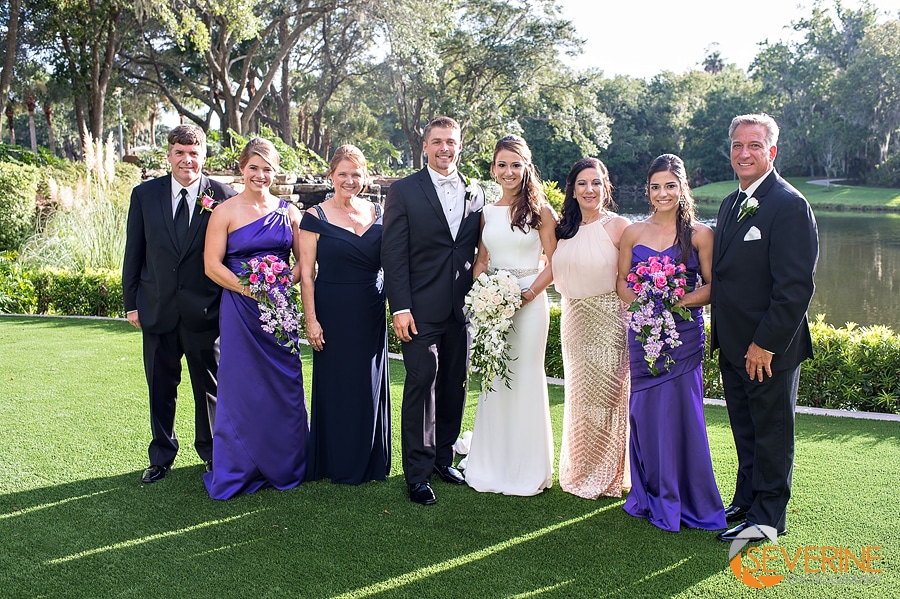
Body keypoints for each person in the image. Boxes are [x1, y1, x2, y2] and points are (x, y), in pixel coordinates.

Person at [712, 115, 818, 542]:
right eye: (737, 145)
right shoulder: (730, 202)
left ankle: (768, 518)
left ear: (771, 151)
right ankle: (746, 500)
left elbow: (794, 288)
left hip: (768, 349)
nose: (744, 153)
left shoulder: (789, 205)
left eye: (754, 145)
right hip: (734, 343)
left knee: (772, 431)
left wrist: (764, 345)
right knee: (745, 427)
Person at [616, 154, 725, 532]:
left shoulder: (700, 235)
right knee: (645, 414)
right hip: (644, 334)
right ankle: (648, 494)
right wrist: (647, 302)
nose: (663, 193)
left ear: (682, 188)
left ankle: (690, 497)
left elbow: (712, 287)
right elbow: (621, 284)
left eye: (670, 186)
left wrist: (672, 301)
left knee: (683, 414)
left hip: (684, 337)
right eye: (656, 187)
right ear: (648, 190)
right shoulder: (633, 232)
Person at [123, 124, 237, 484]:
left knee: (209, 388)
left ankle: (211, 453)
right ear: (168, 155)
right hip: (157, 308)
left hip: (206, 311)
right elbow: (134, 253)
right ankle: (161, 454)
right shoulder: (144, 195)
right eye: (179, 152)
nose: (187, 160)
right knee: (159, 385)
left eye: (194, 153)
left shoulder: (224, 195)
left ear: (204, 155)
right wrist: (131, 303)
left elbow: (233, 256)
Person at [381, 116, 486, 505]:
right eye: (438, 141)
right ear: (425, 146)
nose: (445, 148)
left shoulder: (476, 192)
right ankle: (418, 473)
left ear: (460, 146)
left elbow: (476, 249)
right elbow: (392, 253)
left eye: (452, 142)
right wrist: (401, 308)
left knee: (454, 383)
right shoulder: (404, 190)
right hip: (419, 308)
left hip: (464, 308)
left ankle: (444, 458)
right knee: (422, 380)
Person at [202, 138, 309, 500]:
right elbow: (211, 265)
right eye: (254, 167)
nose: (260, 175)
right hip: (239, 310)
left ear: (274, 172)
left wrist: (279, 285)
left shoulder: (290, 212)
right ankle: (239, 467)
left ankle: (287, 463)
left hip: (279, 311)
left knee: (285, 384)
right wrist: (250, 290)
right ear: (242, 168)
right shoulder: (225, 211)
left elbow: (305, 263)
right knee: (241, 386)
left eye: (267, 169)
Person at [463, 135, 557, 496]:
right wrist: (486, 292)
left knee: (525, 377)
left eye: (515, 164)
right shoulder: (487, 211)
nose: (508, 171)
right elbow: (482, 260)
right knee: (494, 381)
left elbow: (556, 262)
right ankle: (491, 461)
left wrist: (529, 293)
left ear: (526, 167)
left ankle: (528, 466)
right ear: (493, 169)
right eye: (502, 164)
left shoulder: (541, 212)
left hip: (530, 305)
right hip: (493, 306)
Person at [299, 145, 391, 485]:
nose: (349, 180)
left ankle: (370, 459)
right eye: (343, 174)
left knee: (368, 383)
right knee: (337, 384)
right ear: (331, 176)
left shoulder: (380, 212)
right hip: (332, 309)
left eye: (356, 174)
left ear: (364, 178)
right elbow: (307, 273)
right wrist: (311, 320)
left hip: (370, 309)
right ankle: (334, 461)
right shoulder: (314, 216)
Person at [553, 157, 631, 500]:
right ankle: (581, 467)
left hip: (610, 318)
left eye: (596, 182)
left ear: (606, 186)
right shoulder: (562, 228)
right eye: (582, 183)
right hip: (573, 319)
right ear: (572, 189)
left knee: (610, 398)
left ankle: (611, 473)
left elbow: (633, 276)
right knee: (580, 398)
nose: (589, 189)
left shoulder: (619, 227)